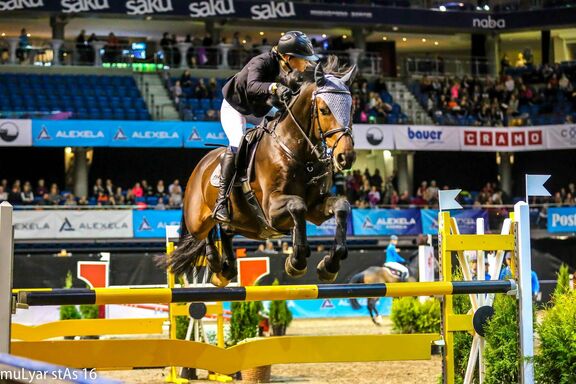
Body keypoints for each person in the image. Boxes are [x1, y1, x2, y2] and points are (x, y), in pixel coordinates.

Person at [212, 31, 319, 223]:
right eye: (303, 59)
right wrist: (275, 87)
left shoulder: (289, 69)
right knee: (237, 143)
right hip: (236, 107)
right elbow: (253, 86)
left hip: (259, 110)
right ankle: (221, 201)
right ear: (288, 58)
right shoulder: (261, 62)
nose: (307, 63)